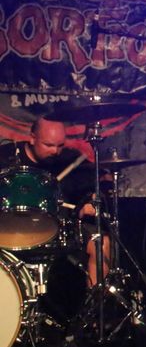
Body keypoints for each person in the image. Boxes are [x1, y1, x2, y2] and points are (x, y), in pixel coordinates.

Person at [0, 117, 110, 287]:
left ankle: (97, 302)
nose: (55, 151)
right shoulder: (5, 156)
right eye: (49, 145)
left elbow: (101, 180)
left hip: (57, 228)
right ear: (32, 138)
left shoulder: (68, 160)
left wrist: (89, 203)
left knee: (101, 243)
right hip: (8, 227)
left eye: (60, 145)